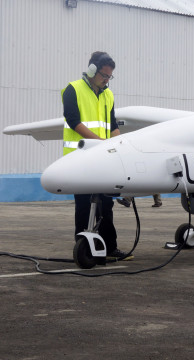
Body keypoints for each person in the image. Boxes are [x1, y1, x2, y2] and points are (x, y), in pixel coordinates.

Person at [62, 51, 132, 260]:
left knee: (106, 204)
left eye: (110, 77)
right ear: (92, 71)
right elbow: (74, 121)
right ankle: (85, 248)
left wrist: (120, 145)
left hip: (103, 157)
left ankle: (109, 248)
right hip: (80, 156)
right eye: (104, 75)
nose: (107, 80)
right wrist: (99, 144)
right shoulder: (72, 89)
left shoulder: (108, 95)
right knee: (84, 204)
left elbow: (112, 124)